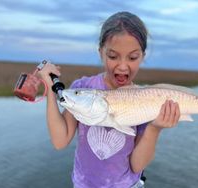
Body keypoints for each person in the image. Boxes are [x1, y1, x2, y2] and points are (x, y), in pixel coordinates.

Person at [38, 11, 180, 188]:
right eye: (113, 56)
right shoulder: (83, 87)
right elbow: (60, 141)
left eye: (133, 57)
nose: (122, 65)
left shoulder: (147, 100)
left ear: (142, 56)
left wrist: (155, 128)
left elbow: (137, 165)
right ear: (101, 53)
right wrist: (51, 89)